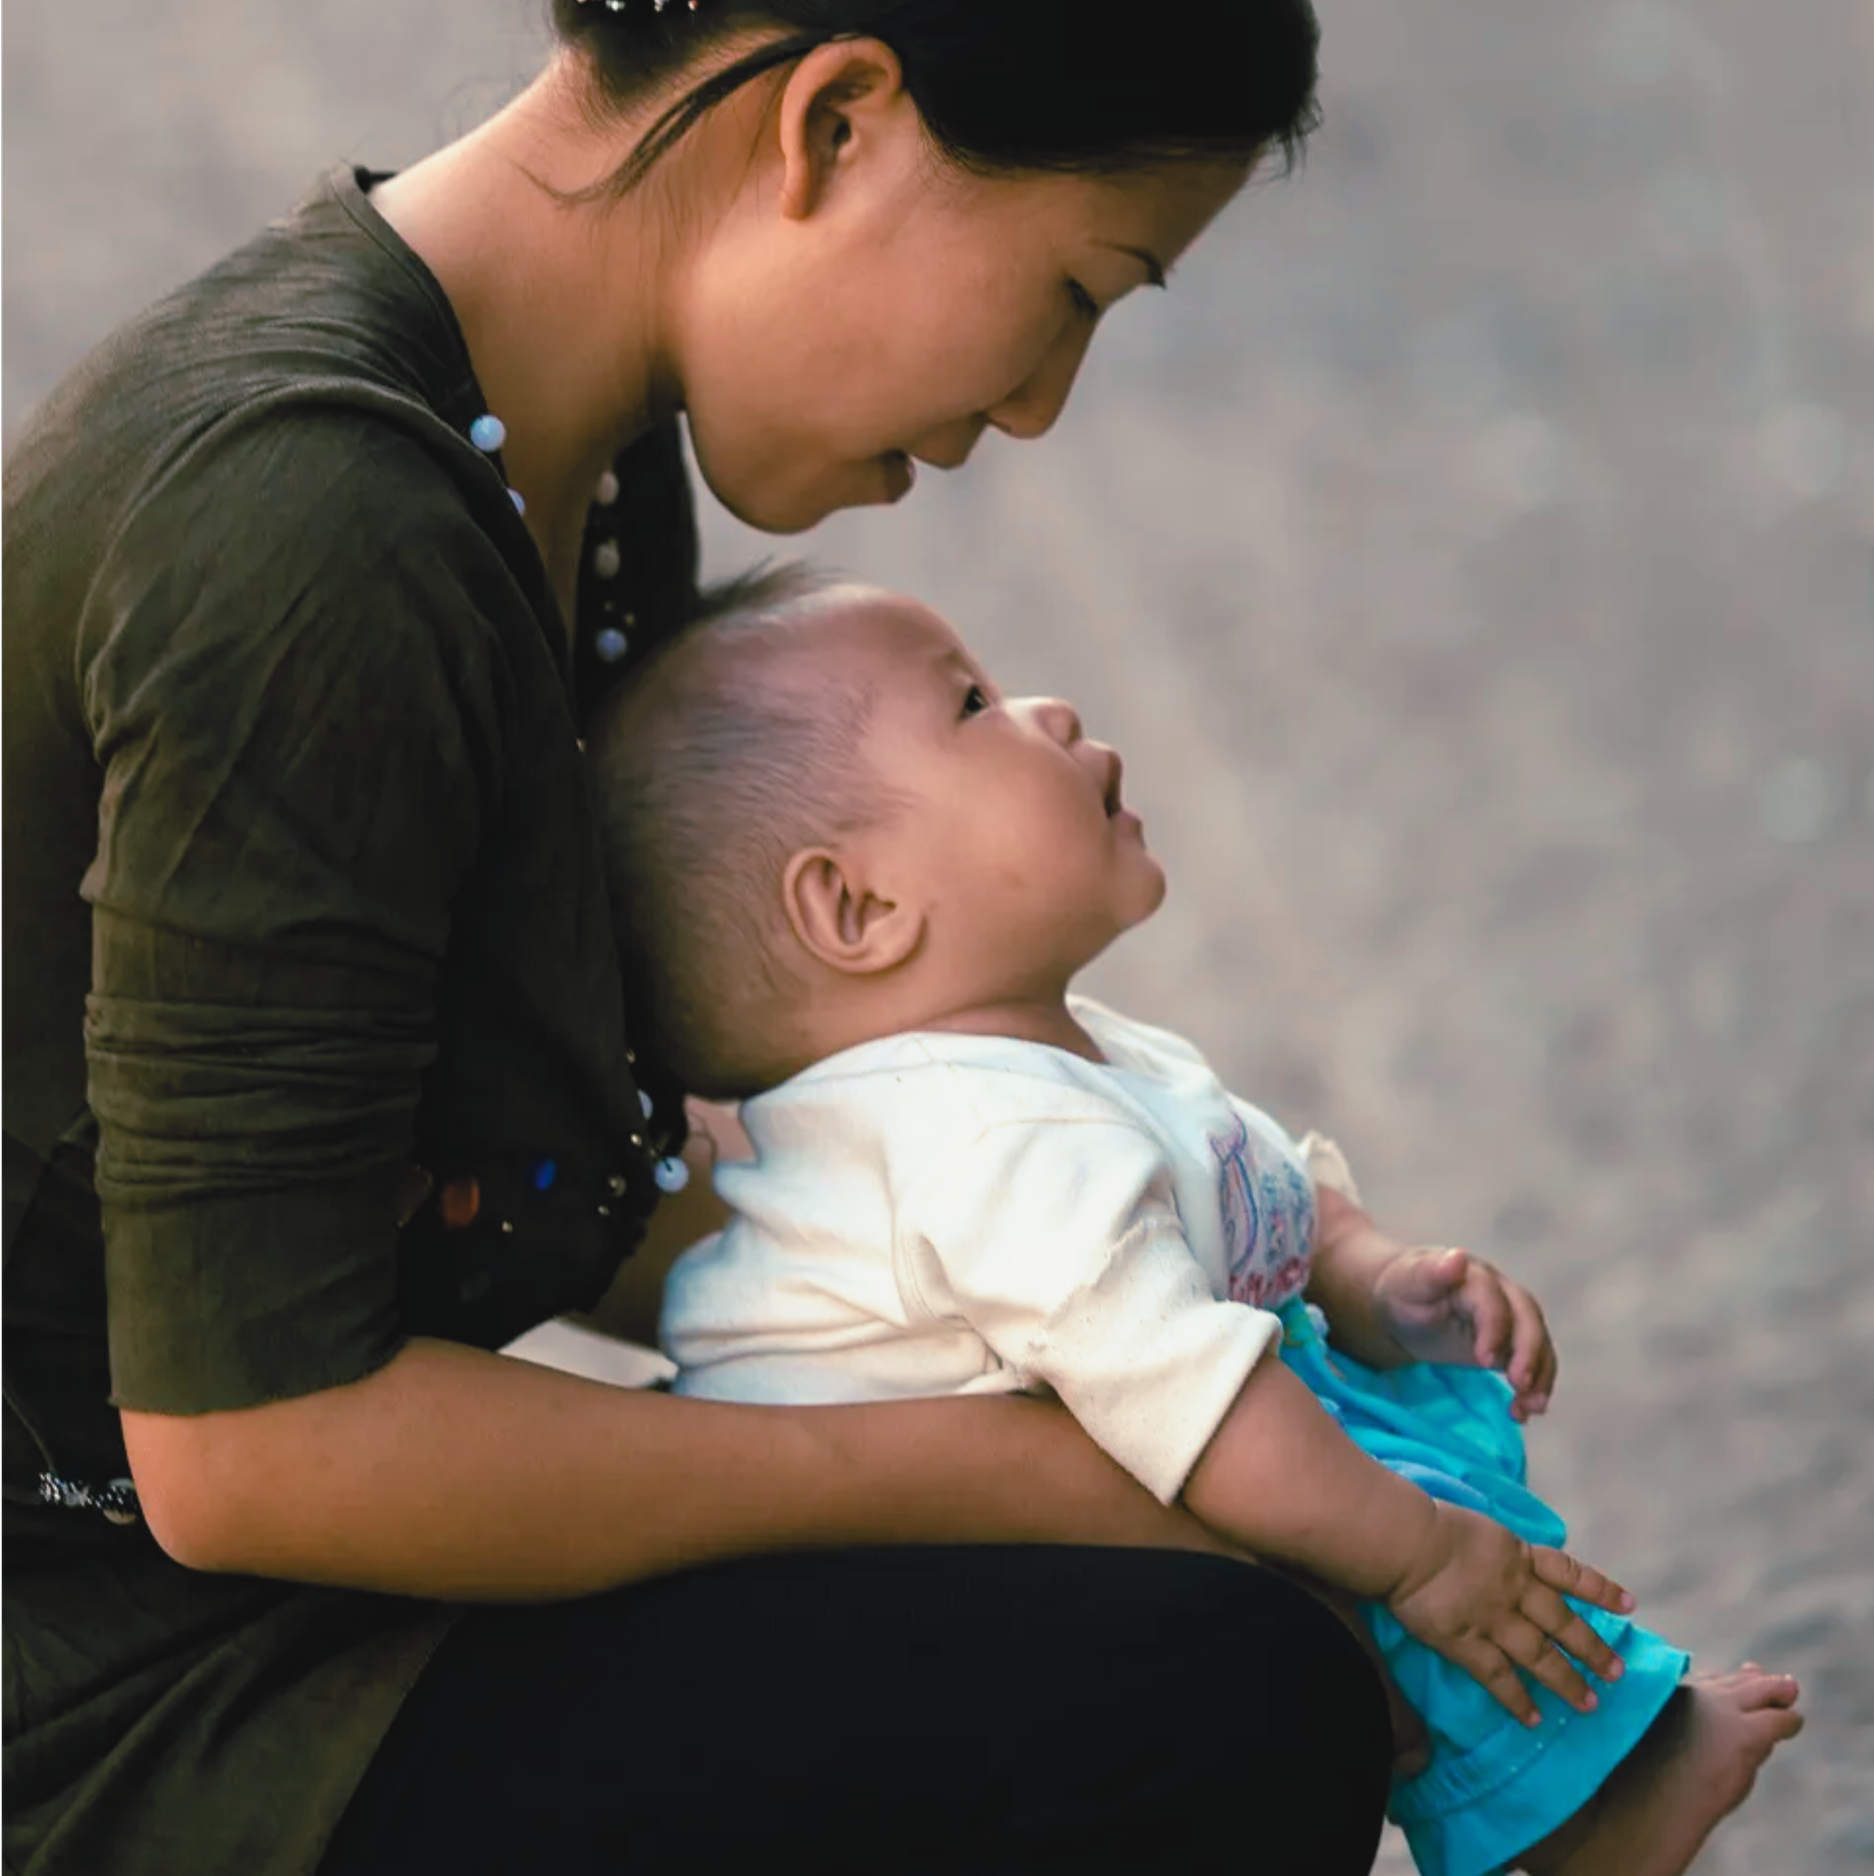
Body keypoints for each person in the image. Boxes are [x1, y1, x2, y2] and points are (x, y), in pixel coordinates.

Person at [0, 5, 1414, 1874]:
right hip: (122, 1694)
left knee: (1227, 1520)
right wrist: (993, 1469)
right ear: (833, 121)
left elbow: (518, 1164)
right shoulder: (314, 528)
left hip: (264, 1595)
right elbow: (252, 1443)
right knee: (1200, 1695)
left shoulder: (566, 464)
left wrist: (1142, 1300)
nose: (1038, 403)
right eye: (1079, 289)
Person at [589, 569, 1807, 1876]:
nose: (1050, 712)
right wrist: (1420, 1556)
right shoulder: (976, 1143)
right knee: (1377, 1530)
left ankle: (1559, 1792)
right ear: (859, 910)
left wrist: (1374, 1277)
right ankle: (1579, 1822)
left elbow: (1258, 1194)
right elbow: (1196, 1400)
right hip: (902, 1605)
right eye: (973, 704)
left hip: (1043, 1505)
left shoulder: (1058, 1057)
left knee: (1348, 1468)